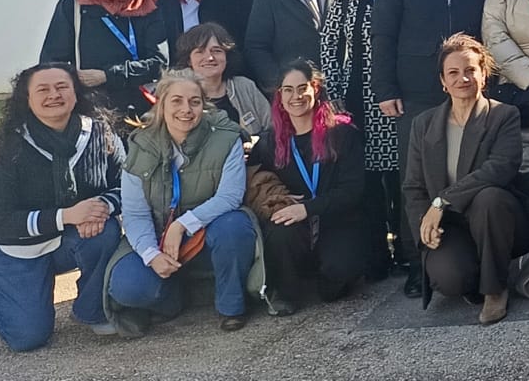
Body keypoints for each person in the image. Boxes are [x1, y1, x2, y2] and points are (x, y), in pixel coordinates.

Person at [372, 0, 495, 298]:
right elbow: (384, 32)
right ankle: (417, 261)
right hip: (416, 88)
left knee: (466, 168)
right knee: (419, 178)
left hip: (468, 85)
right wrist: (385, 87)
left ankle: (465, 255)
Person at [0, 63, 124, 351]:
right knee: (27, 339)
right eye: (42, 89)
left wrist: (100, 206)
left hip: (73, 237)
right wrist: (67, 215)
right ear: (26, 99)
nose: (53, 95)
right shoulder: (6, 146)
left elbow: (125, 183)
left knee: (106, 230)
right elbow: (1, 222)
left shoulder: (98, 131)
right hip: (16, 248)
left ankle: (91, 308)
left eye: (62, 87)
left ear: (75, 92)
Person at [104, 71, 262, 337]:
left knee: (235, 226)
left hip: (208, 232)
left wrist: (182, 225)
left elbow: (230, 196)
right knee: (126, 287)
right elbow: (134, 212)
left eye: (195, 102)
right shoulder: (139, 146)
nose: (186, 110)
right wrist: (151, 255)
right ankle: (172, 301)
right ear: (161, 104)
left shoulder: (226, 137)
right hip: (158, 236)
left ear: (204, 105)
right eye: (176, 101)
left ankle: (231, 306)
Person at [402, 34, 529, 324]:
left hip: (500, 217)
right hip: (451, 225)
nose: (462, 78)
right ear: (442, 80)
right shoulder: (423, 125)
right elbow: (413, 186)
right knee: (451, 281)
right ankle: (475, 273)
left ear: (483, 74)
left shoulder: (503, 115)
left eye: (470, 70)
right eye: (453, 72)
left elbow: (500, 169)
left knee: (488, 197)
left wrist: (442, 200)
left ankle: (495, 289)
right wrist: (424, 228)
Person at [321, 0, 408, 276]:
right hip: (360, 98)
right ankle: (376, 255)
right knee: (370, 180)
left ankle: (408, 252)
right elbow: (330, 42)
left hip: (400, 96)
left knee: (402, 178)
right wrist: (335, 92)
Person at [250, 61, 369, 312]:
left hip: (335, 218)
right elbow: (255, 181)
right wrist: (276, 197)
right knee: (279, 228)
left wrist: (308, 208)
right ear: (279, 95)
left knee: (334, 286)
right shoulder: (269, 141)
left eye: (302, 88)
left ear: (315, 89)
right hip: (295, 222)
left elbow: (353, 190)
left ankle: (330, 270)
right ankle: (286, 291)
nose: (296, 96)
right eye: (288, 90)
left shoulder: (342, 134)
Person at [40, 0, 169, 122]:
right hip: (91, 111)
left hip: (144, 111)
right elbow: (50, 64)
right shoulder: (73, 6)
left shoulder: (147, 4)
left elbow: (160, 64)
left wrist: (107, 76)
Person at [174, 23, 271, 141]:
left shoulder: (245, 86)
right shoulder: (178, 94)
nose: (210, 58)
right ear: (189, 60)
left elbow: (273, 128)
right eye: (200, 51)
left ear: (227, 56)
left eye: (216, 51)